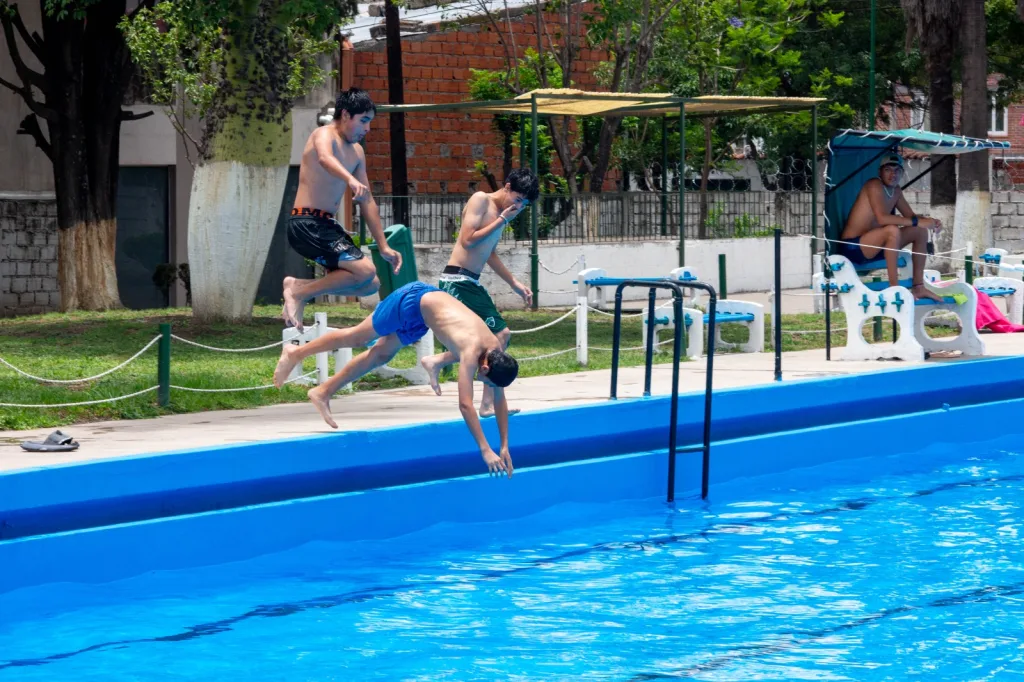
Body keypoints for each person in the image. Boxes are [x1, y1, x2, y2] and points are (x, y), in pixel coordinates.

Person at [272, 282, 520, 477]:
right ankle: (296, 352)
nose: (484, 385)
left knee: (380, 355)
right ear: (485, 367)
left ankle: (323, 392)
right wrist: (485, 450)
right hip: (411, 301)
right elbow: (466, 405)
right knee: (359, 337)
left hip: (424, 315)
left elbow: (499, 397)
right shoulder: (471, 350)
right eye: (484, 382)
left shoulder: (495, 350)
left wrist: (505, 445)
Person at [419, 168, 540, 417]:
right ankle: (485, 403)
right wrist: (502, 220)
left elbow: (489, 252)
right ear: (506, 186)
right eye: (517, 199)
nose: (519, 206)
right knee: (500, 335)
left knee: (490, 341)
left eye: (524, 204)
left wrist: (514, 283)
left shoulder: (506, 213)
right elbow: (467, 240)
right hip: (456, 279)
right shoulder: (481, 200)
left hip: (470, 282)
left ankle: (437, 362)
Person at [281, 88, 402, 331]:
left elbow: (367, 202)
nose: (367, 129)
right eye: (363, 121)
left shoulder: (357, 152)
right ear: (346, 114)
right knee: (364, 269)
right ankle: (298, 292)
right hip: (306, 223)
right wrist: (350, 179)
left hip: (326, 226)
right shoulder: (323, 134)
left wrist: (383, 245)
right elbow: (325, 159)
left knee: (370, 284)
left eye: (369, 122)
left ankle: (299, 286)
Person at [838, 153, 944, 302]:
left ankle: (919, 287)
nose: (893, 174)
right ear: (880, 172)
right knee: (892, 229)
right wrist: (917, 221)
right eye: (888, 169)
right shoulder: (874, 185)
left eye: (897, 170)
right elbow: (882, 218)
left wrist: (931, 222)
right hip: (854, 247)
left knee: (919, 231)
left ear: (901, 173)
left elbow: (911, 217)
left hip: (880, 246)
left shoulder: (896, 190)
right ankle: (895, 289)